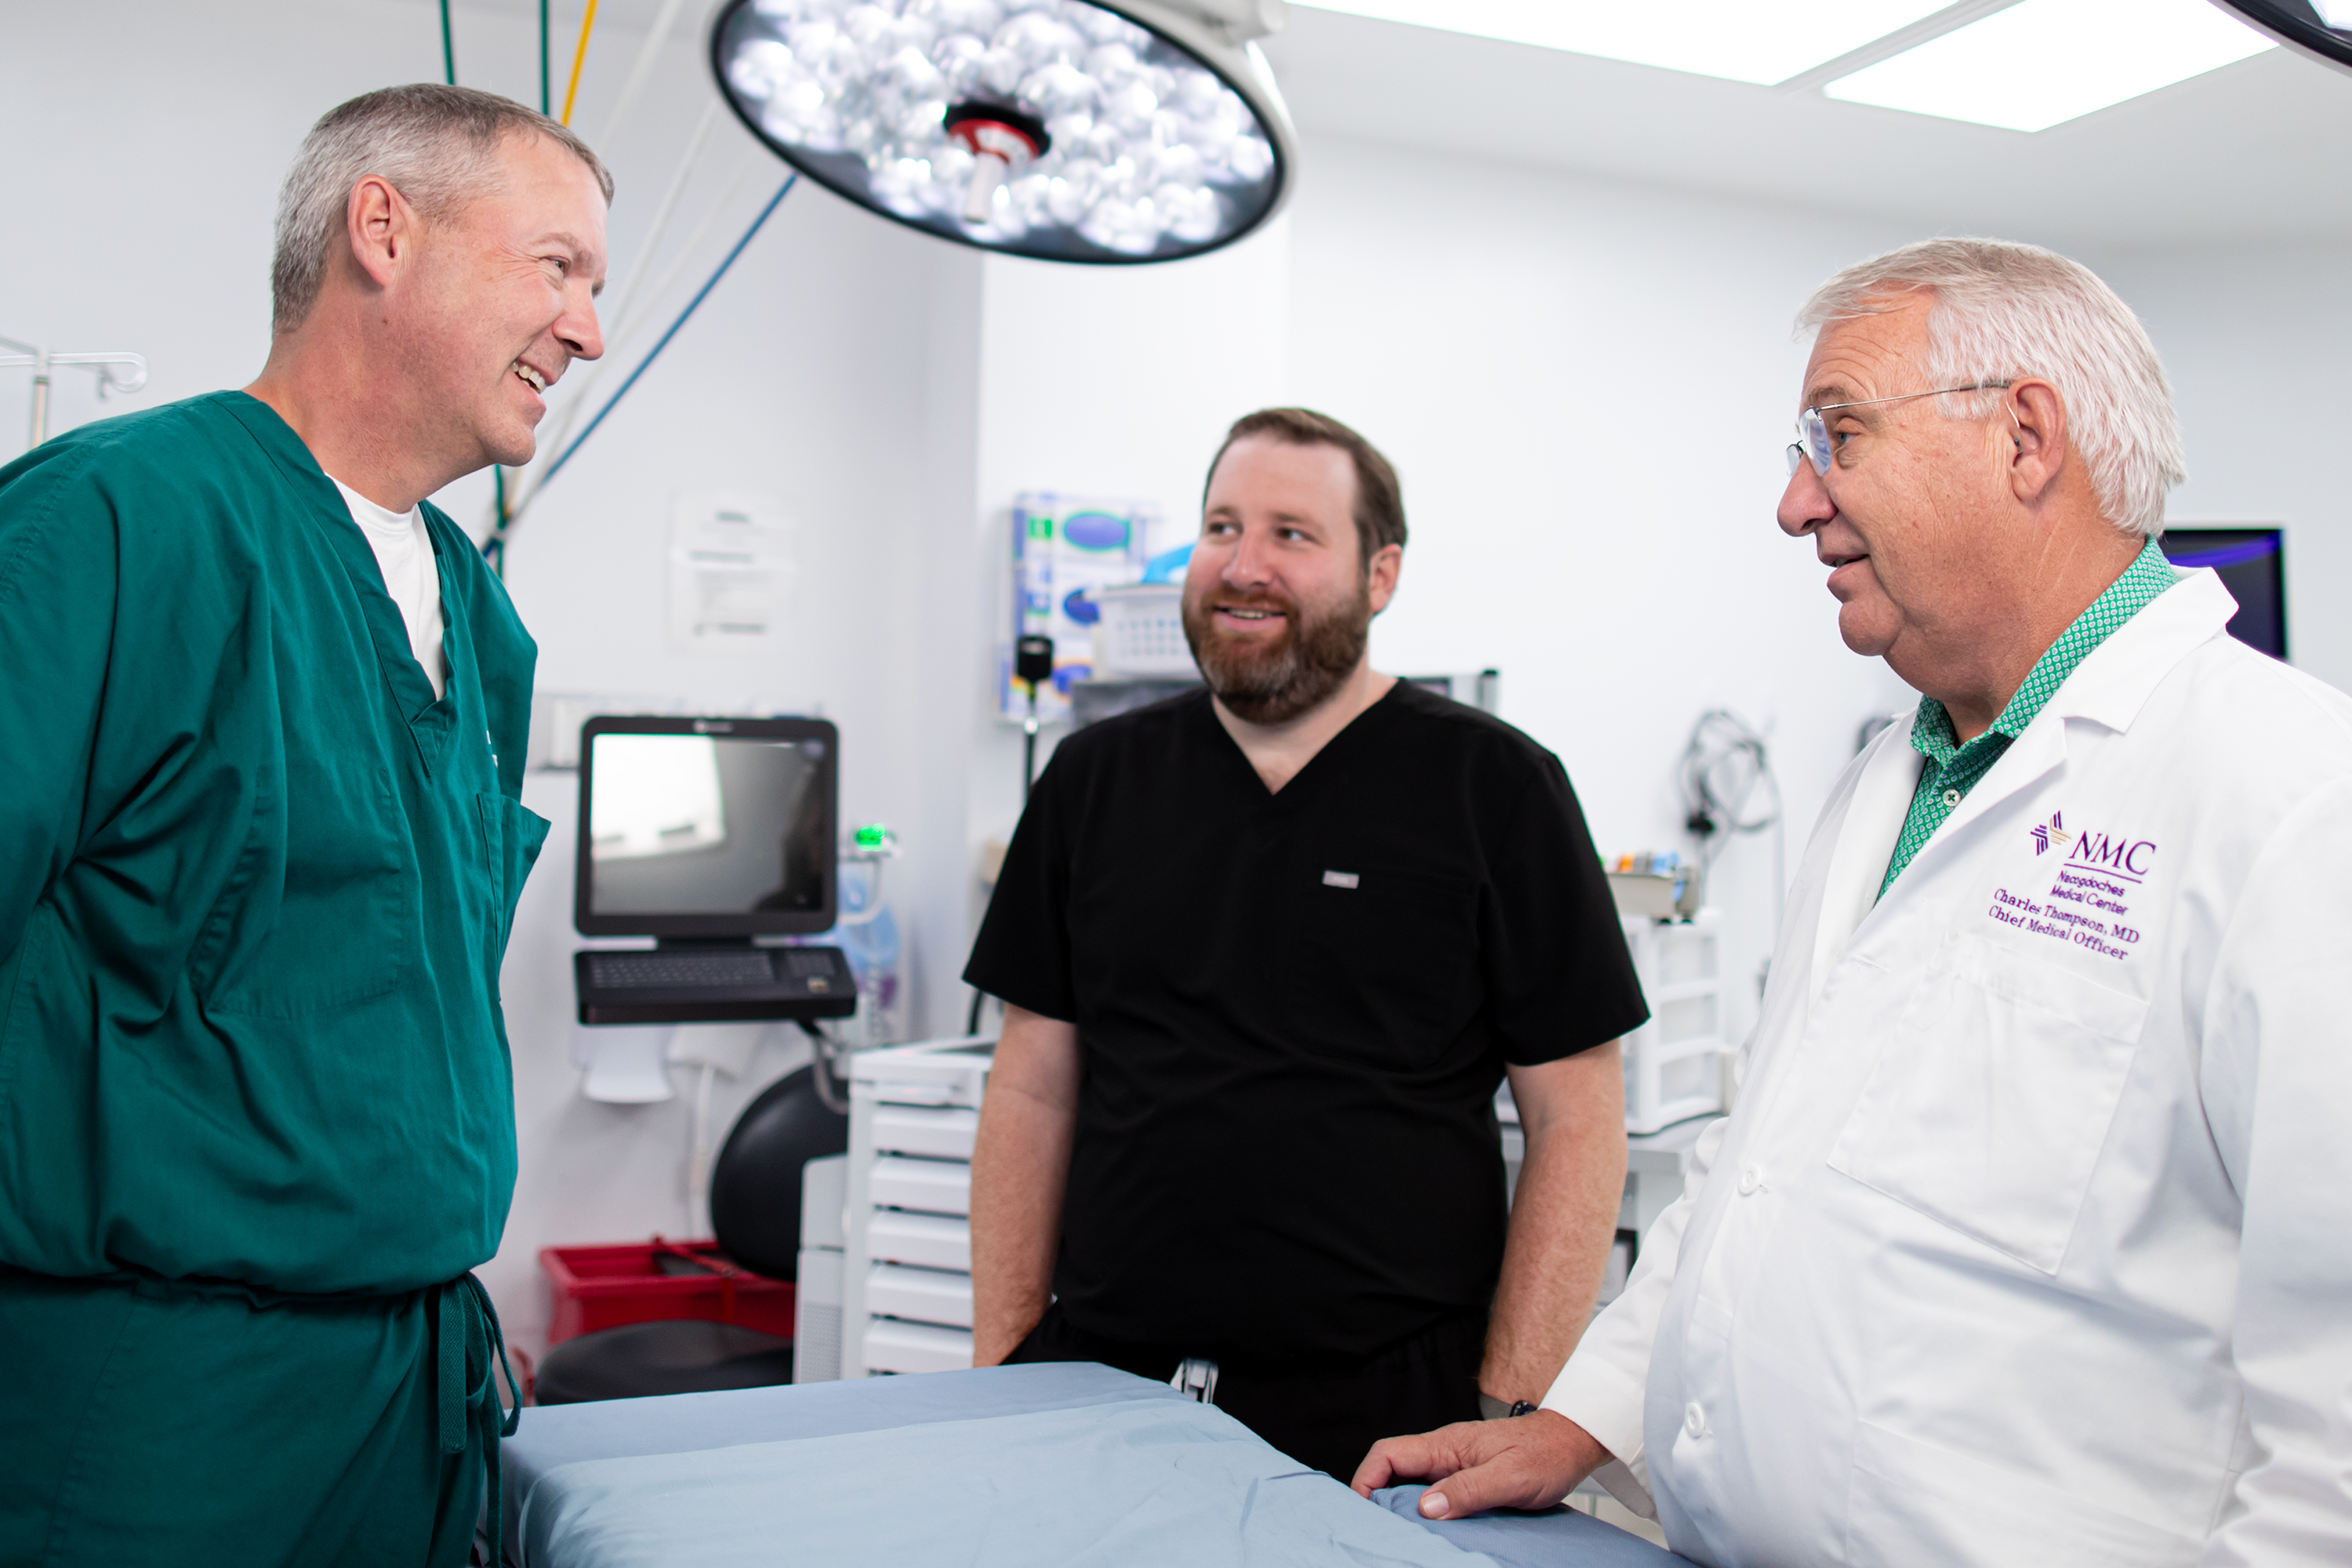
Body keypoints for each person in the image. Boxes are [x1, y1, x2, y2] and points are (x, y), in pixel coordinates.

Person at [1355, 239, 2352, 1565]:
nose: (1794, 504)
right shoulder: (1892, 781)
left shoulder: (2292, 798)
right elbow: (1756, 1170)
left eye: (1839, 435)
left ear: (2025, 437)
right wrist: (1585, 1421)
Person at [0, 85, 608, 1566]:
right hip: (162, 1408)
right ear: (382, 232)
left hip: (407, 1394)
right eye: (558, 267)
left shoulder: (476, 616)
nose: (589, 332)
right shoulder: (113, 523)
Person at [963, 408, 1646, 1480]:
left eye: (1291, 533)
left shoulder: (1495, 789)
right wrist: (1004, 1357)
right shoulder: (1093, 781)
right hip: (1099, 1384)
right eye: (1221, 527)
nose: (1244, 566)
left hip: (1387, 1419)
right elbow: (1031, 1089)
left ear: (1381, 575)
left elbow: (1577, 1119)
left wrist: (1510, 1402)